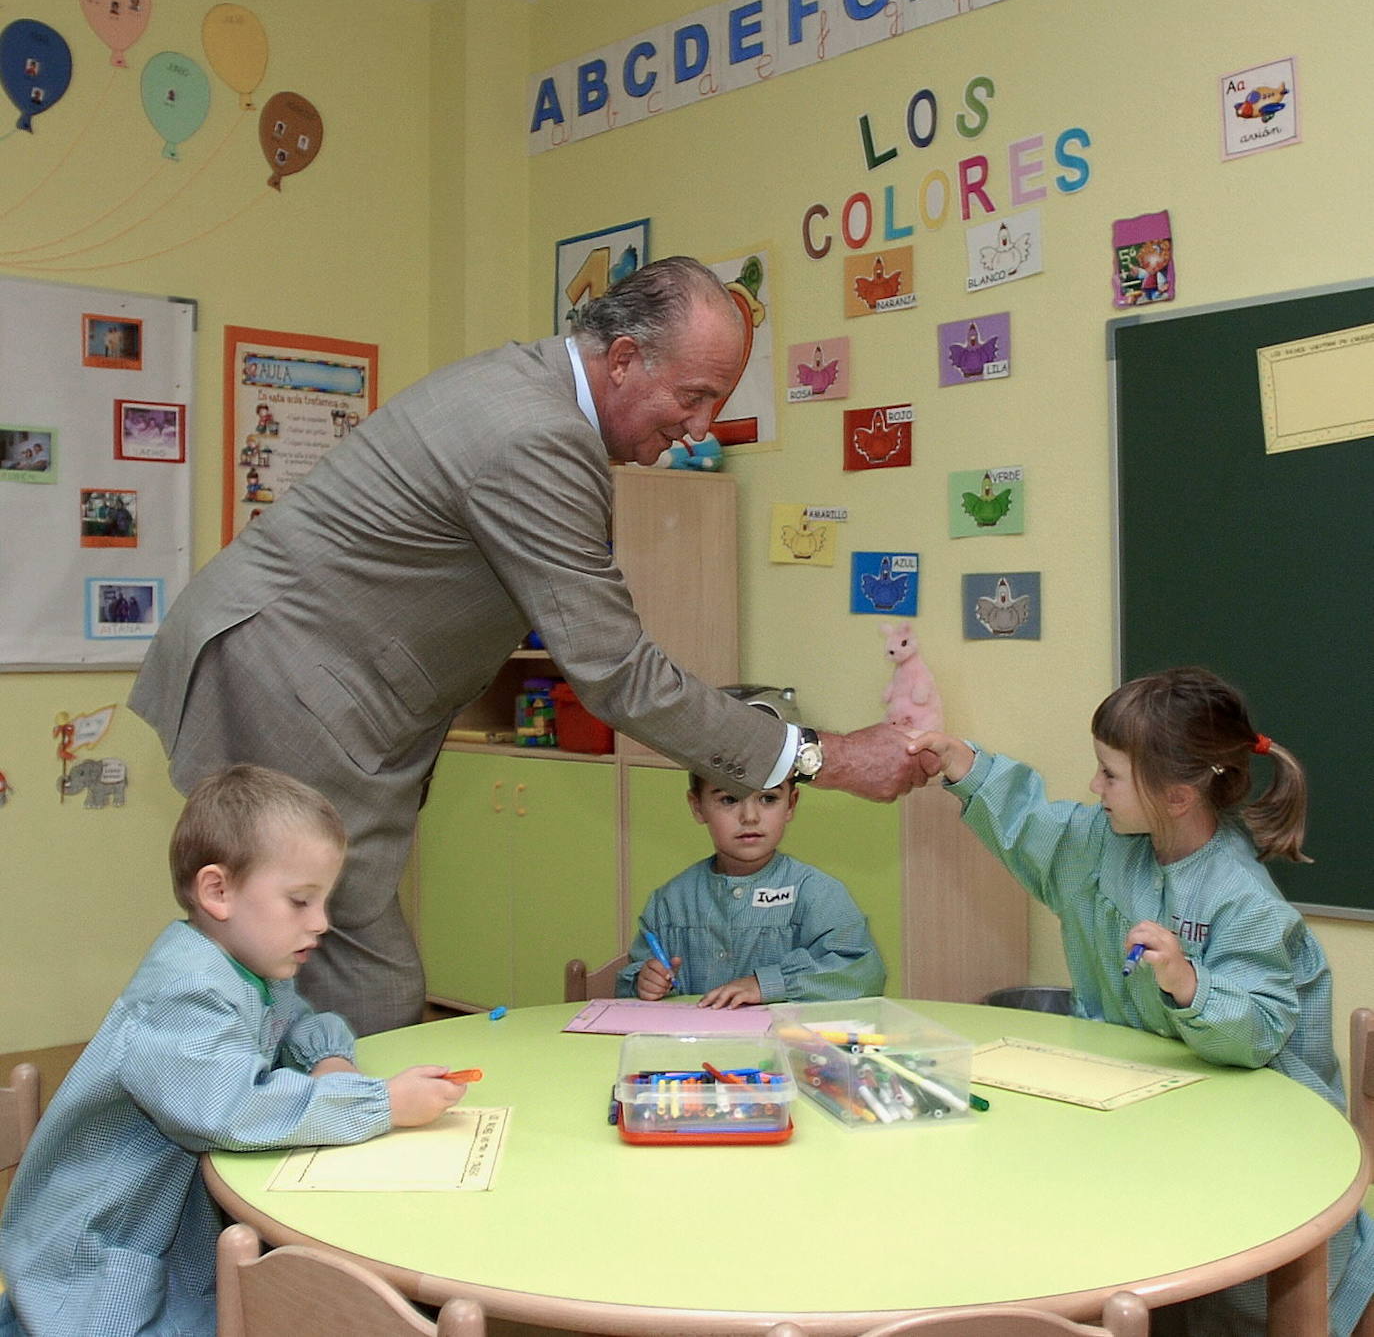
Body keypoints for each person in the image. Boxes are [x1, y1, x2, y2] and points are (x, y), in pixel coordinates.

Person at [129, 256, 930, 1036]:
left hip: (299, 677)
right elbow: (617, 674)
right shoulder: (537, 436)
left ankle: (269, 1131)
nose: (699, 429)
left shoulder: (529, 391)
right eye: (692, 398)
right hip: (287, 685)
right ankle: (273, 1148)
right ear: (622, 359)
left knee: (298, 979)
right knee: (354, 989)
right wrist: (823, 757)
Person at [910, 666, 1374, 1336]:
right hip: (1152, 1119)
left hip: (1259, 1147)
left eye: (1110, 775)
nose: (1094, 786)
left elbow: (1261, 1030)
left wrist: (1190, 984)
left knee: (1245, 1291)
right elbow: (1035, 829)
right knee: (1129, 1252)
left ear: (1178, 795)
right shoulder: (1109, 841)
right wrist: (968, 770)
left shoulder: (1239, 897)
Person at [0, 765, 465, 1337]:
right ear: (218, 891)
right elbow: (232, 1108)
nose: (321, 923)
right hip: (96, 1258)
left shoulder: (246, 967)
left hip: (163, 1228)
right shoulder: (186, 990)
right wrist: (380, 1104)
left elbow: (292, 1021)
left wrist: (329, 1060)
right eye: (300, 901)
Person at [617, 771, 885, 1008]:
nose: (750, 817)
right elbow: (633, 982)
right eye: (729, 799)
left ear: (790, 804)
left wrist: (766, 984)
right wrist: (644, 982)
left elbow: (862, 972)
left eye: (768, 799)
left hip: (785, 1053)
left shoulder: (817, 893)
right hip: (694, 1056)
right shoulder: (670, 901)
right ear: (697, 806)